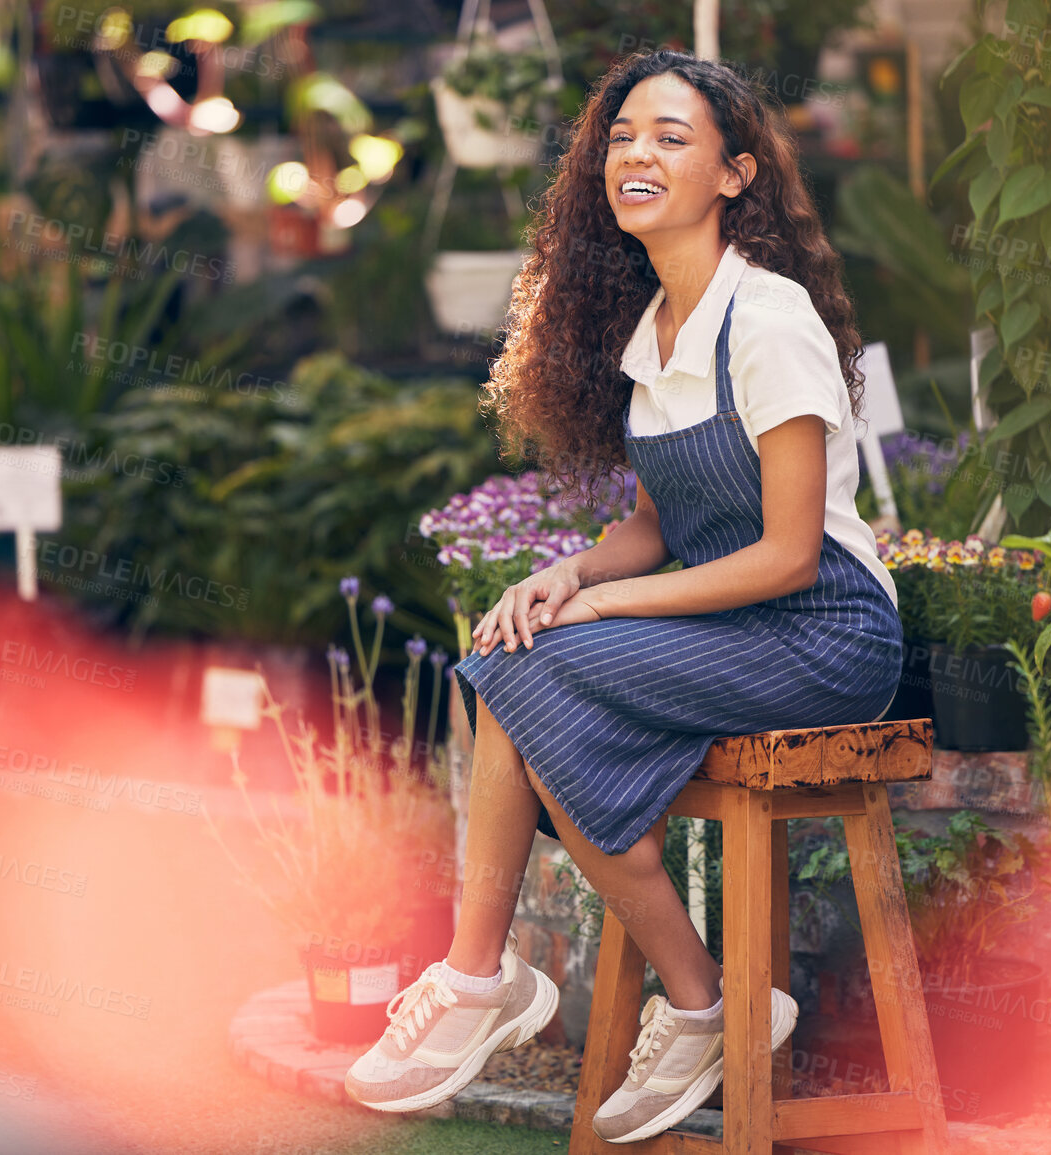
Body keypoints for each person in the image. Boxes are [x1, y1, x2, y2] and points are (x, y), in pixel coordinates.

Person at [345, 49, 902, 1143]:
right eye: (623, 136)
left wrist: (608, 610)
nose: (636, 154)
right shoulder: (654, 331)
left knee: (522, 676)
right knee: (515, 666)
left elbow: (789, 555)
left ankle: (486, 982)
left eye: (672, 137)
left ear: (736, 175)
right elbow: (660, 525)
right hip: (728, 623)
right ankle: (688, 1000)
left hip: (824, 631)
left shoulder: (770, 317)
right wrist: (575, 571)